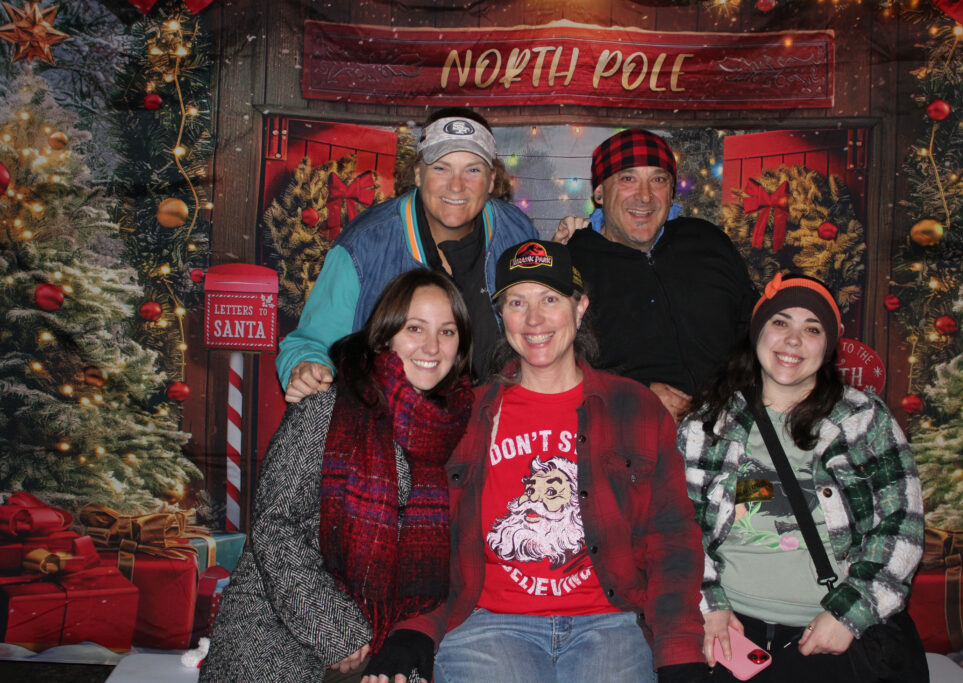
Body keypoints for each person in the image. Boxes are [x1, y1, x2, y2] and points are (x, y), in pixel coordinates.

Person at [360, 240, 707, 683]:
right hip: (489, 625)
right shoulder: (463, 415)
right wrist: (415, 629)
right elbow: (429, 539)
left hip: (611, 623)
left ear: (579, 308)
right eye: (517, 303)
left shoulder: (634, 408)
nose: (534, 320)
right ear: (500, 316)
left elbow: (671, 538)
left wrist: (679, 650)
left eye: (550, 300)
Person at [201, 270, 474, 682]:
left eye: (447, 332)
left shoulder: (456, 428)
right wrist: (336, 632)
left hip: (387, 641)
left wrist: (402, 641)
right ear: (385, 336)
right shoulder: (327, 408)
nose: (432, 347)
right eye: (415, 328)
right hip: (279, 631)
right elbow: (274, 525)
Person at [679, 273, 927, 682]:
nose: (793, 340)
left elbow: (902, 525)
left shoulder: (863, 420)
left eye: (812, 329)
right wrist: (709, 604)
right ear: (757, 333)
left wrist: (850, 614)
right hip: (732, 629)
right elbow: (679, 529)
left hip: (835, 627)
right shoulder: (707, 425)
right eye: (780, 322)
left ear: (827, 347)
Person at [277, 107, 538, 401]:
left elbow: (542, 320)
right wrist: (307, 367)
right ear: (418, 173)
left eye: (472, 170)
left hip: (498, 418)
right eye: (441, 168)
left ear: (491, 180)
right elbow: (311, 343)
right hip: (392, 419)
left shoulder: (516, 231)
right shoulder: (364, 245)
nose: (456, 185)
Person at [557, 128, 755, 423]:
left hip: (731, 426)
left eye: (658, 180)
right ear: (599, 192)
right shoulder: (572, 262)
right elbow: (550, 365)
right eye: (628, 179)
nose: (645, 196)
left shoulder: (707, 242)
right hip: (624, 429)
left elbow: (753, 329)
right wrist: (631, 394)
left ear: (672, 191)